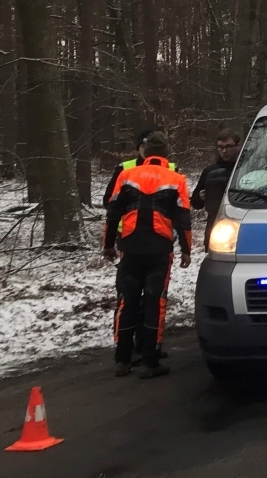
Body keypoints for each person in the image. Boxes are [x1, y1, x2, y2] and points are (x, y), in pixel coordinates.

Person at [103, 131, 191, 378]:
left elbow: (113, 211)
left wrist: (109, 244)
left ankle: (122, 360)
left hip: (129, 247)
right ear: (166, 154)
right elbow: (183, 217)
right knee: (156, 302)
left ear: (145, 152)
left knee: (126, 301)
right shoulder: (176, 179)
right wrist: (186, 250)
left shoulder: (127, 175)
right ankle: (151, 362)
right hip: (159, 249)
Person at [192, 127, 242, 248]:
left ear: (238, 146)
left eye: (228, 146)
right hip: (215, 229)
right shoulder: (210, 171)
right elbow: (195, 203)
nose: (224, 151)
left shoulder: (245, 169)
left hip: (241, 225)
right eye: (221, 147)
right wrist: (200, 196)